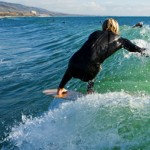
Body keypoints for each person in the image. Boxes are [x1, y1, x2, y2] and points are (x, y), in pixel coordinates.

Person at [57, 18, 146, 95]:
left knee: (79, 59)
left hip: (72, 67)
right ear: (116, 27)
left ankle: (60, 88)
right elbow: (135, 48)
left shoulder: (95, 33)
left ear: (103, 26)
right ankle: (89, 91)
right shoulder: (120, 40)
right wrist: (145, 52)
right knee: (97, 65)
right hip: (88, 73)